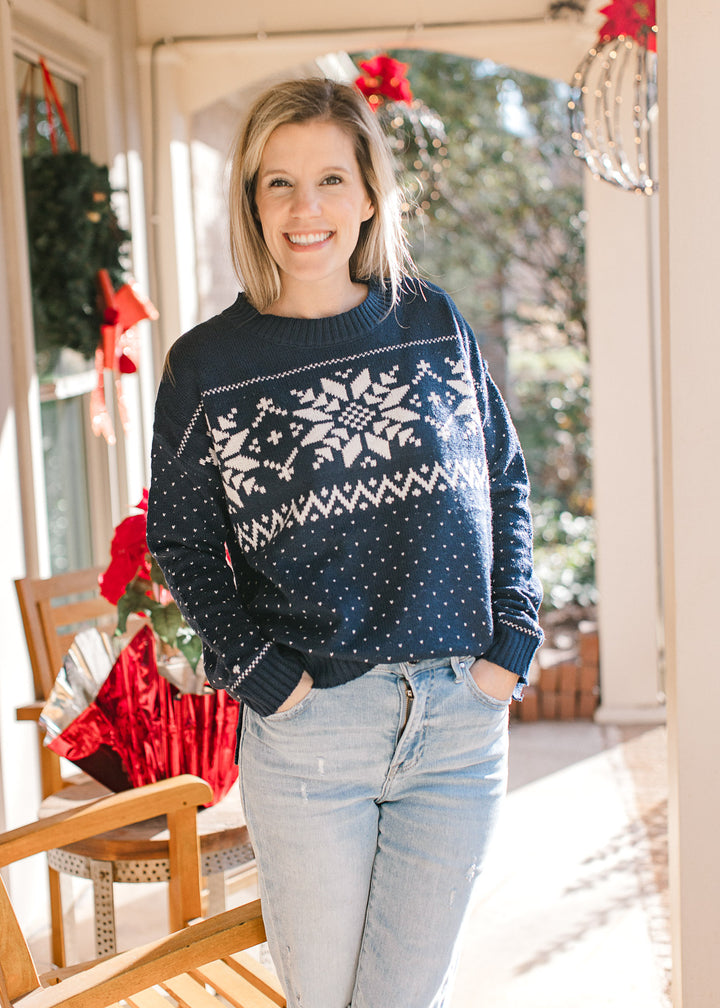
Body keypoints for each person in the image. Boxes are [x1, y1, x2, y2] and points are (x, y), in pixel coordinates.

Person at [147, 77, 543, 1008]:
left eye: (330, 178)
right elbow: (183, 539)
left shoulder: (432, 322)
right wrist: (261, 676)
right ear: (251, 202)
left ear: (369, 193)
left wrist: (512, 643)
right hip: (313, 733)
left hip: (457, 723)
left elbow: (505, 479)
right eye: (277, 184)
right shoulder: (207, 367)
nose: (306, 208)